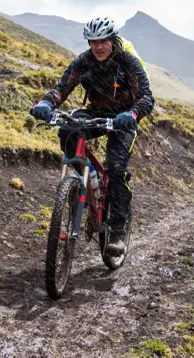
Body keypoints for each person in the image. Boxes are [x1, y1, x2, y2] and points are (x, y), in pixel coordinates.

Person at [30, 17, 154, 254]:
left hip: (124, 118)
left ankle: (117, 232)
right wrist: (46, 104)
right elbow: (61, 88)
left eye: (102, 41)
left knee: (117, 169)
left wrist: (133, 114)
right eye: (92, 41)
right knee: (68, 131)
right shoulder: (84, 62)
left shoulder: (127, 62)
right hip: (96, 113)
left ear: (112, 39)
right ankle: (86, 180)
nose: (97, 46)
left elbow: (147, 97)